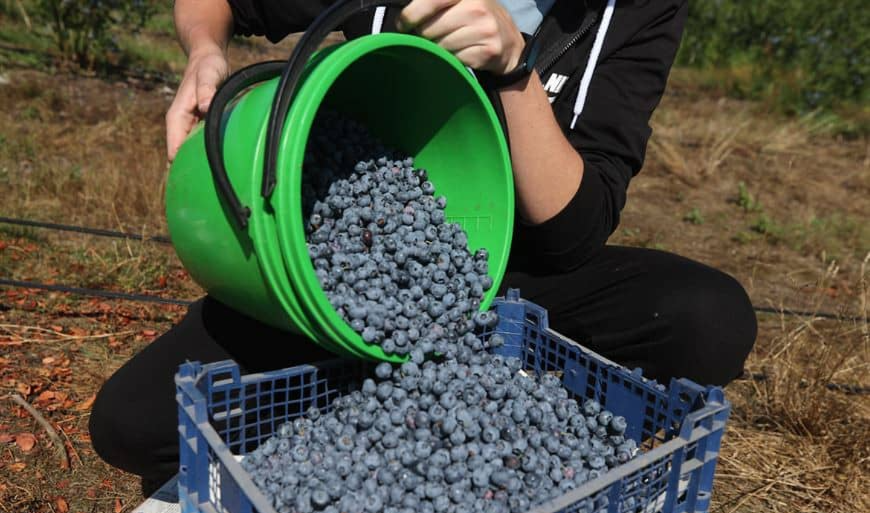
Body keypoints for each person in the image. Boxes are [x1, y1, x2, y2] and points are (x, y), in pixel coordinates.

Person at [91, 0, 757, 494]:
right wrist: (204, 51)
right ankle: (356, 384)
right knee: (133, 423)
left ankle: (461, 399)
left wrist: (516, 70)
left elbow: (574, 232)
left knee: (706, 317)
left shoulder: (640, 8)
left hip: (508, 281)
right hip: (321, 262)